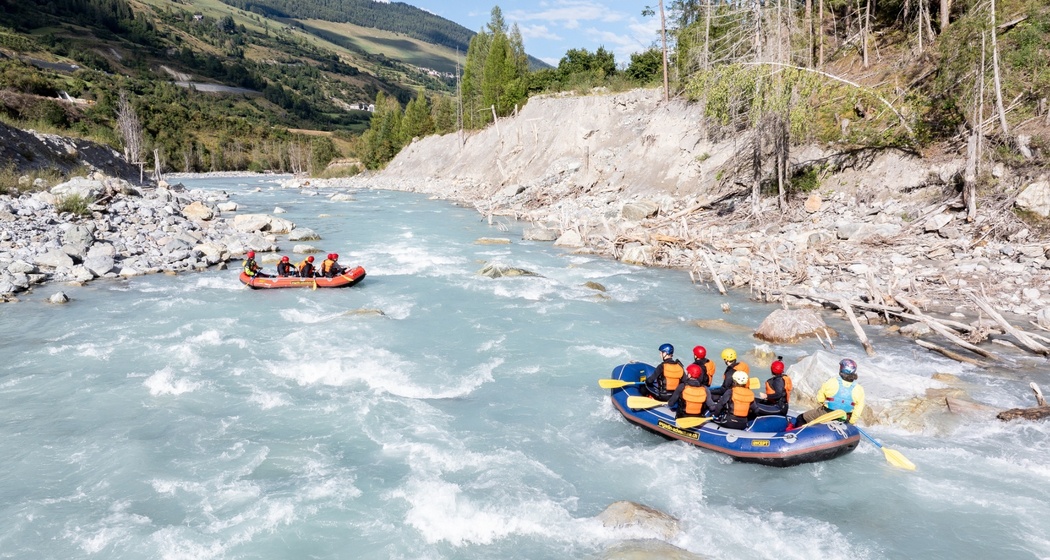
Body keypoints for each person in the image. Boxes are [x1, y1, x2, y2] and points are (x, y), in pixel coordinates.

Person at [794, 358, 866, 426]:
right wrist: (851, 422)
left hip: (827, 412)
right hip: (845, 417)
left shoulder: (832, 381)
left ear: (843, 370)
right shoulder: (859, 389)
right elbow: (858, 409)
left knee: (801, 418)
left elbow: (820, 399)